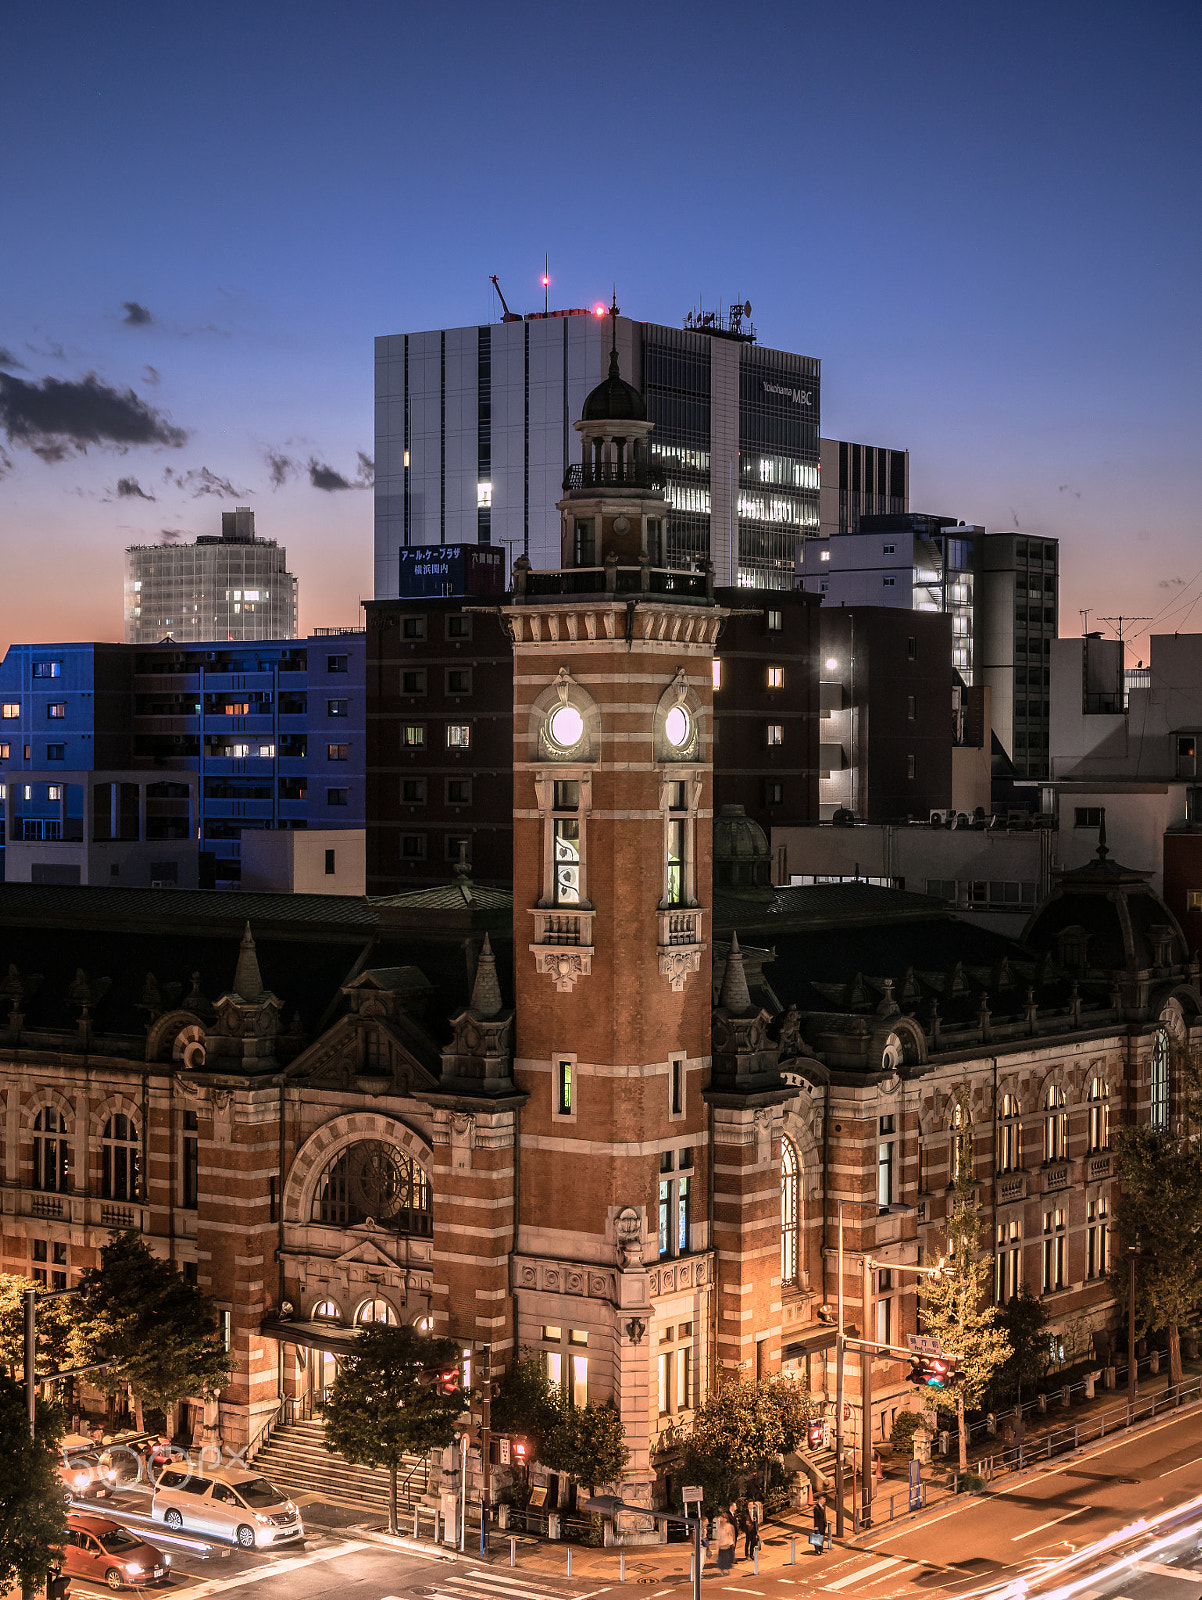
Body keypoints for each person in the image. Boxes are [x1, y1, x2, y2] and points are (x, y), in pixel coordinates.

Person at [715, 1510, 736, 1574]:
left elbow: (732, 1535)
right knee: (722, 1559)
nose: (722, 1519)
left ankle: (726, 1569)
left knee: (727, 1559)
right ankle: (722, 1570)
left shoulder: (729, 1526)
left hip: (728, 1544)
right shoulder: (719, 1527)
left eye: (724, 1518)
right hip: (722, 1545)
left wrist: (732, 1543)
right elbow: (718, 1537)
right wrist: (717, 1546)